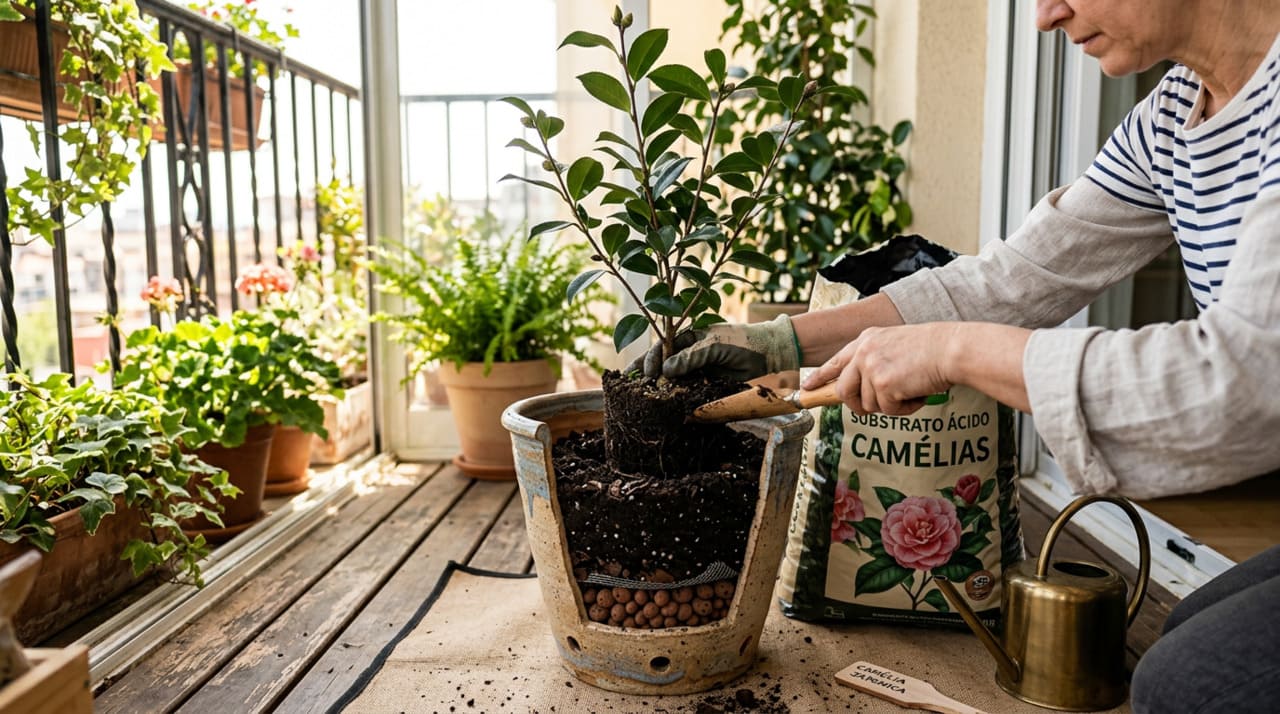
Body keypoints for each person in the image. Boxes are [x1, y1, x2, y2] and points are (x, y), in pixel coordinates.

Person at [631, 1, 1280, 711]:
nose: (1045, 16)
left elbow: (1239, 383)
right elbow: (1015, 278)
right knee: (1187, 632)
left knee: (1187, 687)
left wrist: (954, 352)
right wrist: (786, 340)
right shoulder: (1175, 117)